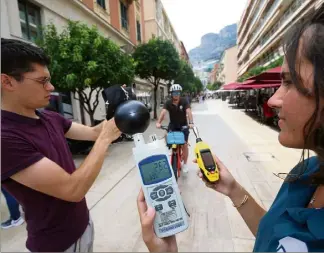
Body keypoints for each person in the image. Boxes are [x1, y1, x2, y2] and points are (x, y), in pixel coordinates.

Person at [137, 5, 324, 252]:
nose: (272, 100)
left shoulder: (183, 102)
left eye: (289, 82)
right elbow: (274, 239)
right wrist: (233, 189)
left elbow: (189, 113)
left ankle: (181, 157)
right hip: (172, 129)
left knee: (183, 145)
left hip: (182, 129)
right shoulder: (305, 171)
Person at [1, 38, 121, 252]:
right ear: (8, 82)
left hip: (82, 225)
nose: (51, 87)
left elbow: (94, 133)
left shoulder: (48, 117)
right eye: (42, 81)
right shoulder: (6, 138)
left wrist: (119, 116)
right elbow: (72, 189)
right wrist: (105, 139)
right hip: (55, 244)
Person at [156, 84, 194, 173]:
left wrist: (191, 122)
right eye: (174, 93)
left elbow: (188, 111)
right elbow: (163, 112)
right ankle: (171, 149)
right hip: (173, 125)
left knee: (184, 144)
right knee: (166, 135)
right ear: (171, 94)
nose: (175, 94)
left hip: (183, 125)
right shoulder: (168, 102)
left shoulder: (184, 101)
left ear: (179, 93)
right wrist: (158, 122)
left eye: (177, 92)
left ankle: (185, 164)